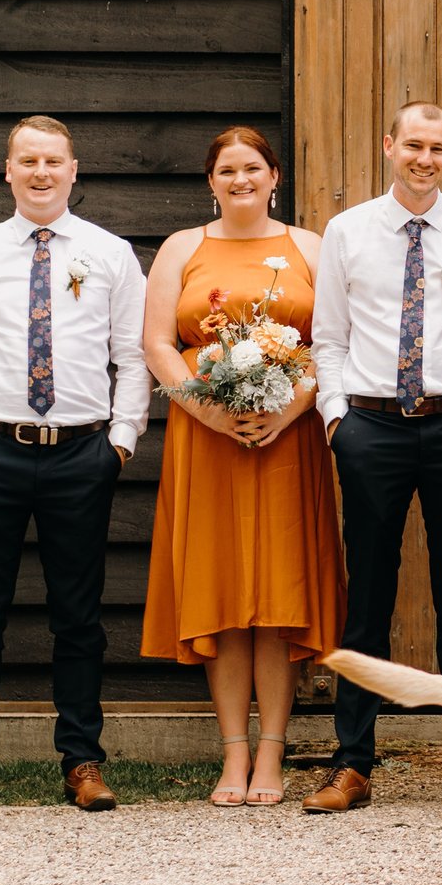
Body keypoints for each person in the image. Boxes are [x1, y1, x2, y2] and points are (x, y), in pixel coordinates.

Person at [0, 116, 150, 815]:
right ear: (8, 171)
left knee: (78, 615)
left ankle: (82, 758)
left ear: (73, 169)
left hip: (81, 452)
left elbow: (133, 355)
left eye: (52, 160)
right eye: (27, 160)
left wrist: (121, 438)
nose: (40, 172)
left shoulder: (111, 252)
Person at [306, 101, 442, 813]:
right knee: (368, 595)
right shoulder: (348, 230)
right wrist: (337, 420)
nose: (424, 158)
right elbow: (327, 335)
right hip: (372, 426)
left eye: (438, 147)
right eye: (412, 144)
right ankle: (352, 761)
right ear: (389, 145)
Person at [139, 126, 342, 807]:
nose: (241, 179)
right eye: (227, 169)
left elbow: (333, 341)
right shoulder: (180, 248)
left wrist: (289, 410)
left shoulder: (310, 247)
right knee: (223, 592)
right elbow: (159, 343)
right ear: (211, 180)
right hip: (208, 439)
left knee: (278, 594)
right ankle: (232, 753)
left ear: (274, 174)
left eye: (252, 167)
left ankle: (272, 755)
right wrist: (209, 410)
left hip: (289, 438)